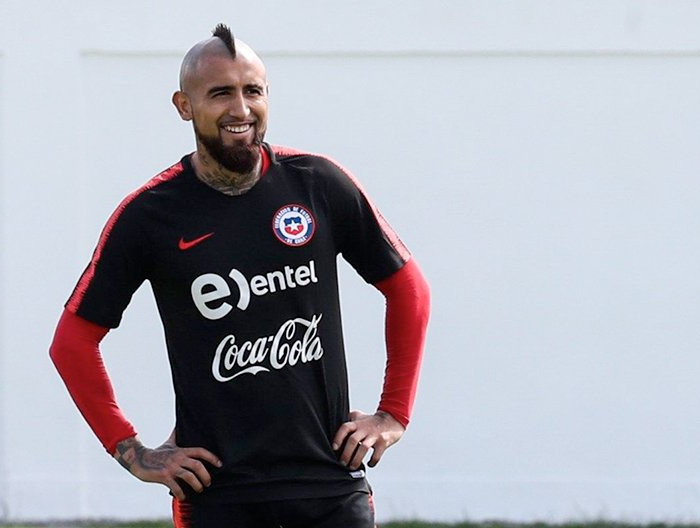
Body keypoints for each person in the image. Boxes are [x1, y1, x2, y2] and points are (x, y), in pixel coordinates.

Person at [49, 23, 430, 528]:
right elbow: (72, 341)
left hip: (329, 485)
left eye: (253, 90)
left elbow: (409, 291)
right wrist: (132, 451)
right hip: (217, 497)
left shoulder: (318, 184)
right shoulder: (150, 215)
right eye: (221, 93)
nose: (241, 110)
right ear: (184, 106)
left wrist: (393, 415)